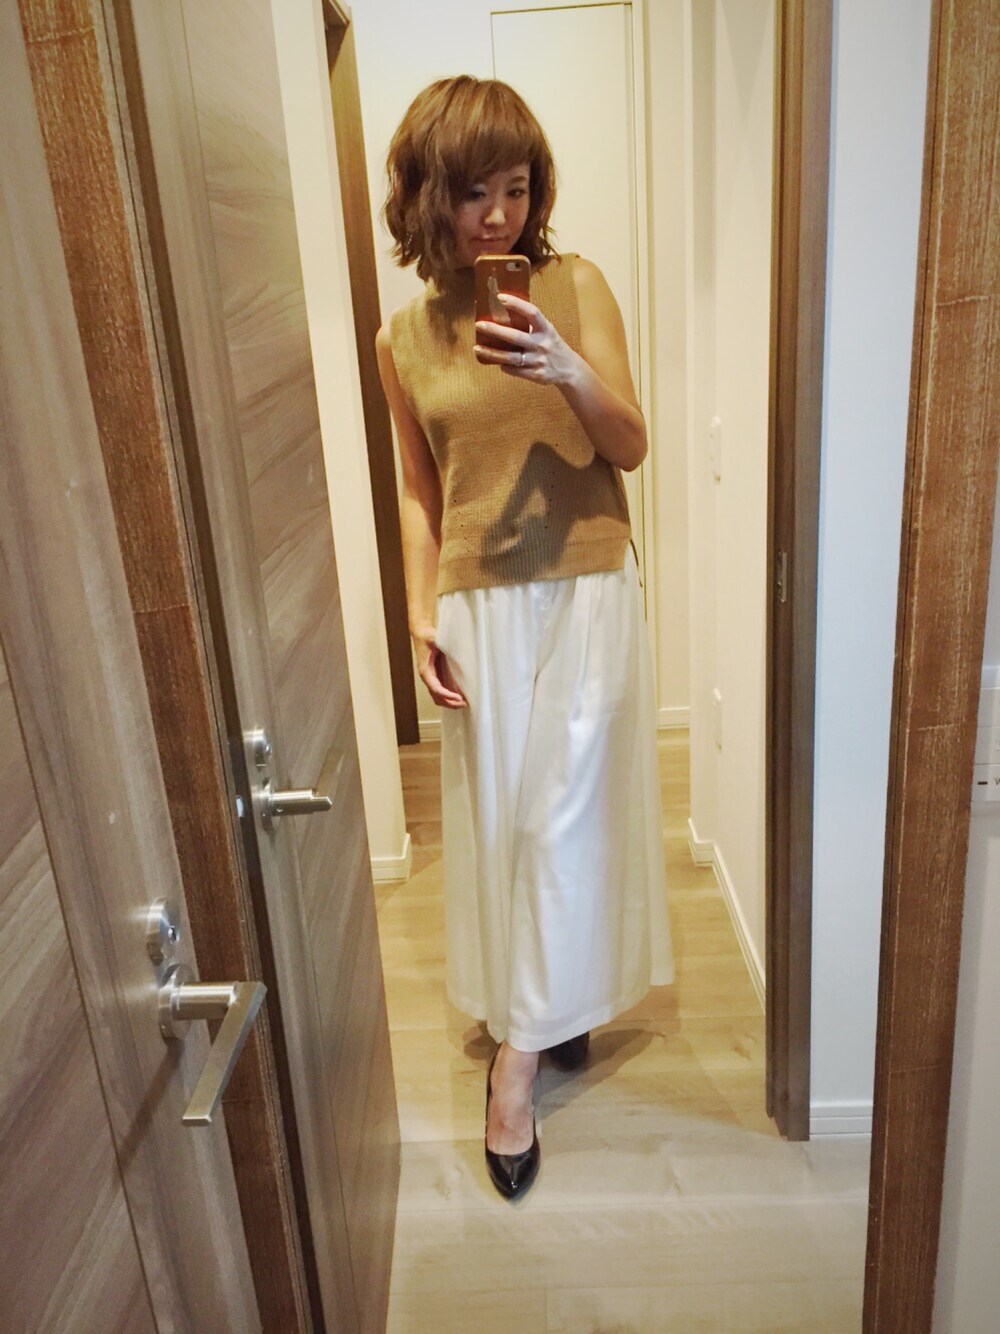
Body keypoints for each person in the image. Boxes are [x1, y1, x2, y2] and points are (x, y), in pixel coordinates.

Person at [375, 75, 674, 1201]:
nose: (499, 215)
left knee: (560, 817)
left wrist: (567, 367)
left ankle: (515, 1068)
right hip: (473, 604)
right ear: (428, 196)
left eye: (516, 188)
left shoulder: (574, 285)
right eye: (473, 193)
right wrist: (418, 615)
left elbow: (628, 444)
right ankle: (553, 1006)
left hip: (587, 584)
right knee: (505, 823)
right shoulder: (402, 337)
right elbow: (421, 489)